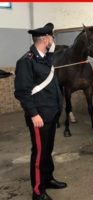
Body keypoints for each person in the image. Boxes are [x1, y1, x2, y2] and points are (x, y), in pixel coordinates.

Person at [14, 23, 66, 200]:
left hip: (52, 114)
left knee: (47, 150)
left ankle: (48, 178)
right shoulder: (26, 62)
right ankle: (37, 191)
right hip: (39, 117)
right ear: (45, 39)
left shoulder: (44, 58)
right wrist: (34, 114)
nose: (53, 40)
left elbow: (50, 57)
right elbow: (22, 92)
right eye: (51, 37)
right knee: (38, 154)